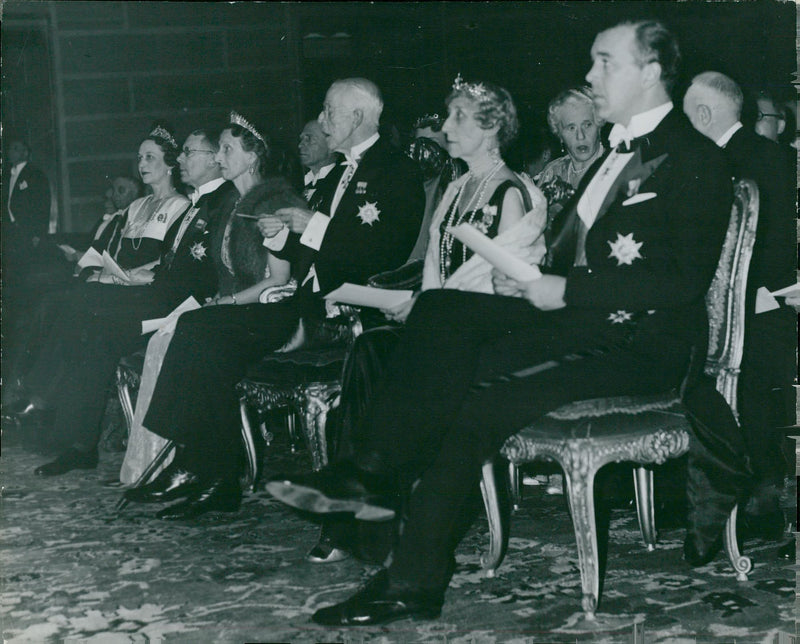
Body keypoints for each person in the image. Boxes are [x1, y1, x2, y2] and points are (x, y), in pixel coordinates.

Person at [267, 20, 742, 626]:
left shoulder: (694, 155)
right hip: (582, 324)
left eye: (605, 63)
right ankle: (371, 484)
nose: (591, 76)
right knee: (441, 312)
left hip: (641, 341)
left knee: (479, 395)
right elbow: (575, 251)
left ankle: (405, 564)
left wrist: (564, 286)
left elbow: (683, 279)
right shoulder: (610, 157)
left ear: (650, 73)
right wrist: (525, 273)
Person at [122, 78, 425, 521]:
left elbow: (385, 249)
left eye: (328, 112)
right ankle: (203, 469)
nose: (322, 122)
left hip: (342, 311)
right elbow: (306, 249)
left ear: (357, 117)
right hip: (300, 302)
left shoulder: (395, 169)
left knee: (204, 332)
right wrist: (282, 237)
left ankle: (205, 471)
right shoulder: (338, 171)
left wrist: (310, 226)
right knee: (197, 329)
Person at [307, 77, 548, 564]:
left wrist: (428, 309)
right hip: (443, 326)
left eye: (459, 117)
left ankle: (376, 511)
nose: (446, 127)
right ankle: (362, 513)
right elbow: (436, 274)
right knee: (371, 349)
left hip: (488, 337)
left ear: (492, 127)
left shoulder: (513, 194)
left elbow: (510, 290)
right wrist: (414, 304)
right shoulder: (457, 189)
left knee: (391, 359)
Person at [12, 127, 236, 477]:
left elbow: (183, 266)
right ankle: (79, 445)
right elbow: (114, 254)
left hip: (168, 303)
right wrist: (108, 273)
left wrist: (133, 276)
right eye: (140, 157)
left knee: (78, 305)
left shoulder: (198, 204)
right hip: (141, 294)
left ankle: (37, 395)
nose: (143, 164)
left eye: (152, 157)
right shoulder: (169, 205)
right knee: (87, 330)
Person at [119, 115, 304, 484]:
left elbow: (279, 280)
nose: (219, 157)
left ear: (252, 157)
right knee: (196, 338)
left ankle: (198, 465)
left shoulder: (277, 200)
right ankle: (201, 467)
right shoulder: (233, 206)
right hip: (237, 312)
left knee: (194, 328)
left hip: (272, 312)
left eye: (227, 149)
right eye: (218, 149)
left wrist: (226, 303)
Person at [683, 72, 796, 541]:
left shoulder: (733, 161)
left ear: (704, 115)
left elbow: (768, 243)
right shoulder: (772, 156)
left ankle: (750, 488)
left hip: (756, 307)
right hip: (754, 303)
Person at [536, 87, 605, 220]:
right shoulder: (552, 172)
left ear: (599, 126)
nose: (580, 136)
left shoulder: (611, 167)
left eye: (587, 125)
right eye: (571, 128)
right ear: (558, 133)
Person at [1, 138, 52, 283]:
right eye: (10, 148)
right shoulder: (6, 176)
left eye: (16, 148)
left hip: (27, 233)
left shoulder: (35, 175)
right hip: (9, 233)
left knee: (26, 274)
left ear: (25, 153)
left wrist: (38, 233)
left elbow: (43, 206)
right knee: (10, 274)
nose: (11, 152)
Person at [298, 120, 338, 203]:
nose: (300, 145)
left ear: (331, 144)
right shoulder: (299, 182)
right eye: (301, 139)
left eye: (309, 139)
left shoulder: (338, 183)